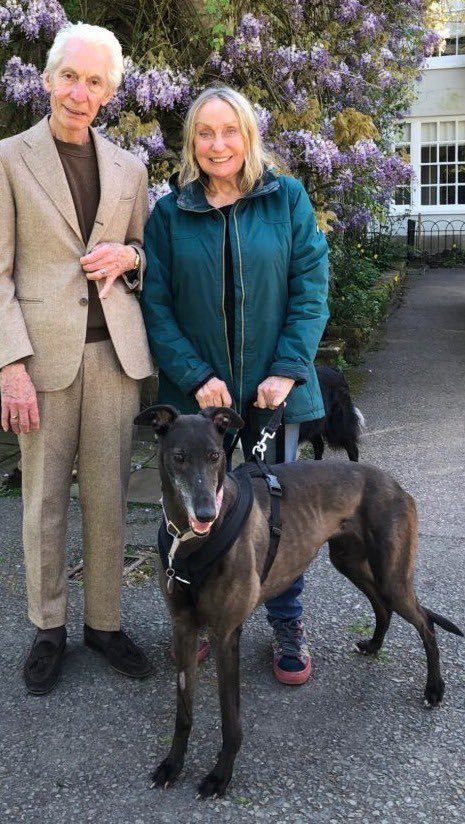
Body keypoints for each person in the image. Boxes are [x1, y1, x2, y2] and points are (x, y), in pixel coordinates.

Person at [0, 23, 155, 694]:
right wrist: (11, 366)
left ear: (109, 93)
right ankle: (48, 626)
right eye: (70, 77)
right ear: (48, 79)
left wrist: (132, 256)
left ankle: (103, 624)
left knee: (107, 502)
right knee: (44, 503)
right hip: (41, 365)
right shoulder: (6, 160)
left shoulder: (131, 169)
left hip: (114, 362)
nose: (80, 93)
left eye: (95, 82)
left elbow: (145, 254)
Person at [141, 86, 329, 685]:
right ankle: (200, 621)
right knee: (196, 513)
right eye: (204, 133)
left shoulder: (288, 200)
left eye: (229, 131)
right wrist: (196, 377)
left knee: (277, 516)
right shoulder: (170, 214)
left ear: (248, 136)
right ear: (191, 143)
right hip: (200, 407)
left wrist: (287, 369)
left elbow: (310, 288)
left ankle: (286, 621)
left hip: (271, 400)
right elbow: (156, 305)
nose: (218, 144)